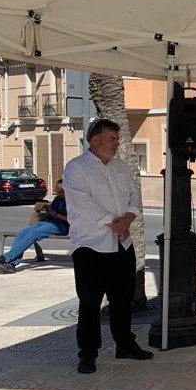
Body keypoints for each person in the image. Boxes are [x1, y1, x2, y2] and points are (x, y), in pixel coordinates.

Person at [63, 119, 153, 374]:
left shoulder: (121, 168)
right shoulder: (76, 168)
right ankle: (88, 353)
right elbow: (82, 203)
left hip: (121, 242)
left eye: (116, 139)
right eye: (112, 139)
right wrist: (113, 222)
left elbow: (134, 196)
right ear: (95, 140)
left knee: (123, 298)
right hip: (90, 246)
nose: (116, 144)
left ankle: (124, 344)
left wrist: (128, 218)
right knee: (90, 302)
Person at [0, 179, 69, 273]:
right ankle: (12, 264)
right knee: (21, 234)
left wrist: (55, 214)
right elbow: (52, 211)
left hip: (61, 225)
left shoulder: (73, 201)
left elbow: (71, 219)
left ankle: (5, 258)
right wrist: (47, 210)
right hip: (48, 222)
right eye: (57, 191)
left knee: (34, 233)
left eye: (61, 191)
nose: (58, 194)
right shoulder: (58, 198)